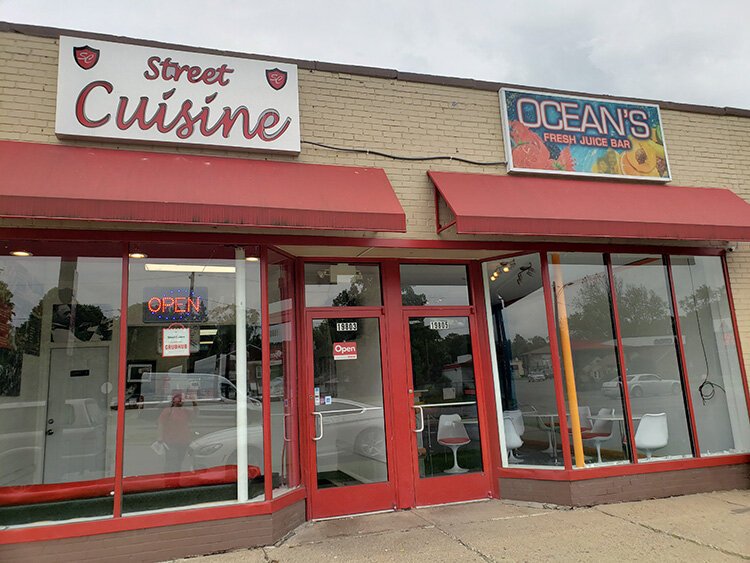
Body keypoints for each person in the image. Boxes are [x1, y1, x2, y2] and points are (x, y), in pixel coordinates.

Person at [158, 391, 197, 473]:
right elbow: (161, 424)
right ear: (174, 399)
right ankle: (169, 477)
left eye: (182, 398)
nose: (181, 400)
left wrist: (194, 402)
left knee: (179, 461)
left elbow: (195, 415)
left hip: (183, 441)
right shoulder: (168, 411)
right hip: (170, 442)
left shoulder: (185, 411)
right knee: (172, 461)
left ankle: (176, 477)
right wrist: (160, 437)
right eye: (179, 398)